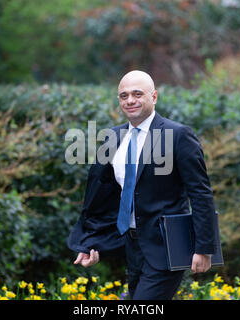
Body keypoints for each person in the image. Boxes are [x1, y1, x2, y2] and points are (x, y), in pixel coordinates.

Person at [67, 70, 216, 300]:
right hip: (131, 247)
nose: (130, 100)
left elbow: (200, 193)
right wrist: (90, 242)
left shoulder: (178, 135)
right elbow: (102, 198)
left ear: (154, 97)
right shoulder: (113, 138)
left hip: (167, 247)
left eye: (137, 94)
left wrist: (204, 247)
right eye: (123, 95)